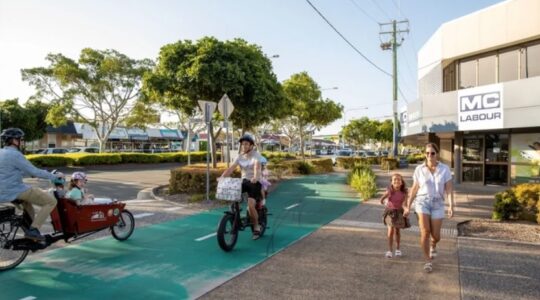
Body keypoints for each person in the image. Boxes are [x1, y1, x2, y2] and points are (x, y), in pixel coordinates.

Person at [0, 128, 64, 241]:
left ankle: (28, 231)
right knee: (51, 201)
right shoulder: (15, 154)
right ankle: (34, 230)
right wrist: (55, 176)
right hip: (14, 190)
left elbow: (15, 170)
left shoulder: (1, 152)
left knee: (29, 207)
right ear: (14, 140)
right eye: (21, 139)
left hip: (3, 191)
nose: (22, 141)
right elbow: (34, 171)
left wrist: (32, 174)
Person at [403, 142, 455, 273]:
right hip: (422, 202)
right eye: (427, 153)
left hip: (438, 204)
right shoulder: (419, 169)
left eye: (432, 153)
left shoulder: (445, 169)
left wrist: (451, 206)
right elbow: (415, 188)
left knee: (436, 235)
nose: (429, 155)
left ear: (437, 154)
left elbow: (449, 189)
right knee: (425, 231)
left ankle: (433, 244)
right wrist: (408, 205)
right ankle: (427, 260)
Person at [219, 134, 263, 240]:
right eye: (243, 144)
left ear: (251, 145)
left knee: (250, 206)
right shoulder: (239, 156)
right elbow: (231, 169)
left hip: (254, 183)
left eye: (246, 144)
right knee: (232, 194)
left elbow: (257, 168)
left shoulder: (256, 156)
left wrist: (256, 177)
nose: (244, 146)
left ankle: (256, 226)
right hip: (244, 182)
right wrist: (222, 177)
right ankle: (234, 214)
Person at [379, 173, 408, 259]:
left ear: (401, 182)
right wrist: (385, 202)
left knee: (397, 231)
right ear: (391, 182)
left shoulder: (404, 192)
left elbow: (404, 204)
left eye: (398, 179)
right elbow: (381, 200)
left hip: (399, 212)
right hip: (390, 212)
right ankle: (390, 250)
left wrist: (406, 209)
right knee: (390, 230)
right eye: (394, 179)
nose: (396, 181)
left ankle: (398, 249)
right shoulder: (389, 190)